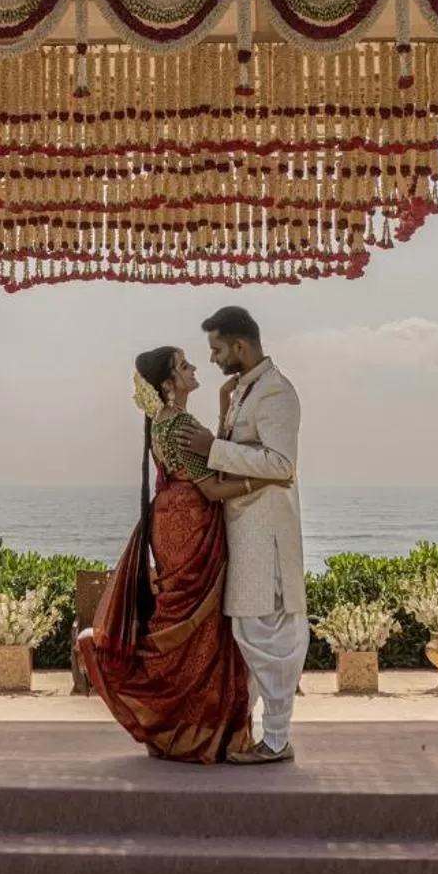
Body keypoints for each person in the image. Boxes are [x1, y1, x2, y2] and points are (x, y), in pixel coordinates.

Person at [78, 346, 275, 763]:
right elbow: (214, 487)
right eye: (184, 366)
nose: (194, 369)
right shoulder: (181, 424)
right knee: (201, 629)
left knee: (182, 621)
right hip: (192, 528)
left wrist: (223, 409)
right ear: (169, 384)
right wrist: (265, 480)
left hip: (170, 525)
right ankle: (201, 735)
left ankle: (182, 730)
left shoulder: (160, 424)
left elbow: (211, 460)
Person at [174, 305, 307, 765]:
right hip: (244, 532)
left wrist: (214, 446)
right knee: (249, 633)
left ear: (240, 346)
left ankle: (276, 739)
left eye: (216, 349)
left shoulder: (275, 393)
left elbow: (281, 465)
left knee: (265, 634)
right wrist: (221, 418)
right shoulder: (242, 392)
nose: (211, 359)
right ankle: (255, 734)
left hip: (266, 534)